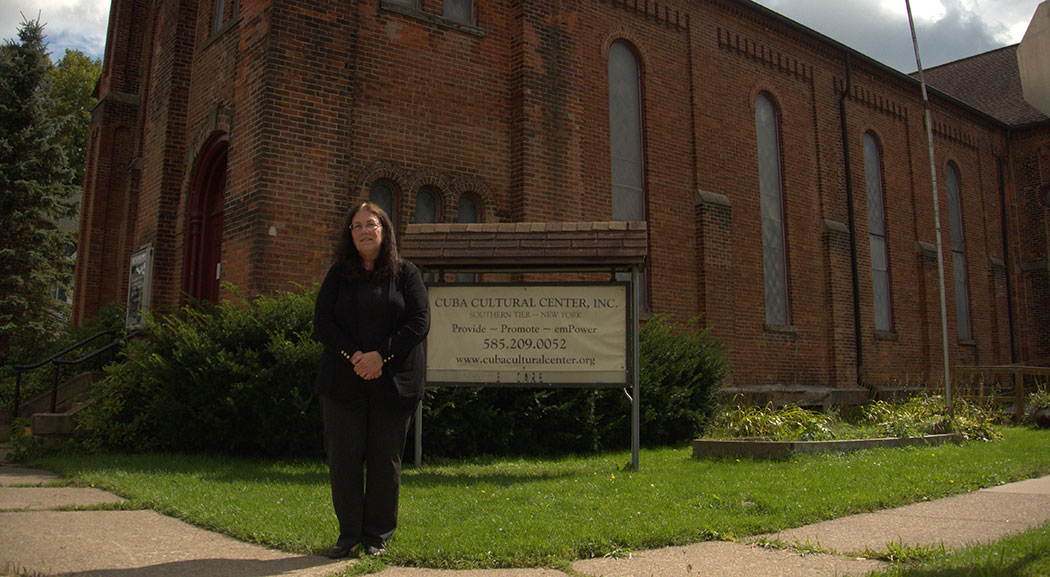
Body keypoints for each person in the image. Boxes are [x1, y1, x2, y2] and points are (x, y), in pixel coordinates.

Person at [312, 201, 430, 558]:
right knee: (344, 459)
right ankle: (348, 536)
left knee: (384, 459)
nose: (365, 231)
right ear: (350, 234)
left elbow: (419, 322)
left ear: (385, 230)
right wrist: (356, 357)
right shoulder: (338, 274)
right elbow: (323, 325)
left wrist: (382, 355)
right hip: (342, 384)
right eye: (357, 226)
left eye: (372, 224)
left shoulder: (406, 273)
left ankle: (377, 536)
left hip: (394, 383)